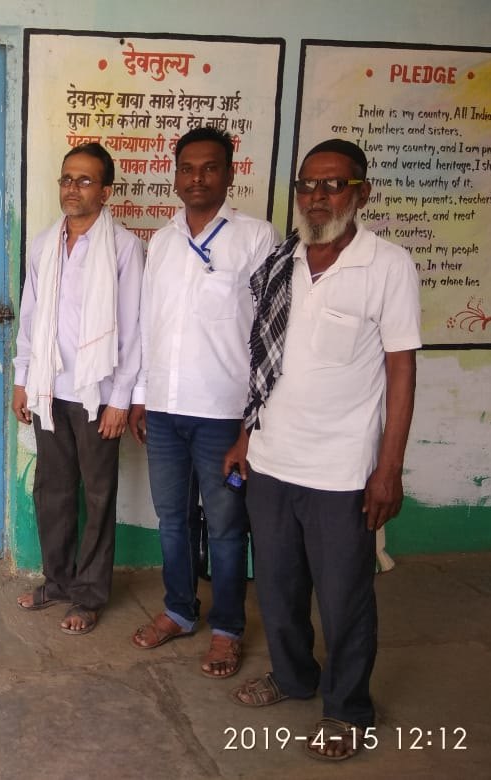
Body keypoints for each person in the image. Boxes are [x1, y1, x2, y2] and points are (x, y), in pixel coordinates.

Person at [226, 139, 420, 761]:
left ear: (361, 192)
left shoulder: (387, 265)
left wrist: (388, 468)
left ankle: (348, 709)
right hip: (273, 461)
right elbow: (263, 365)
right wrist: (244, 439)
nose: (318, 196)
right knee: (279, 589)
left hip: (342, 470)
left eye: (334, 185)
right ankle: (292, 676)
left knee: (344, 600)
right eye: (308, 185)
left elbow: (401, 372)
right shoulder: (282, 262)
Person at [127, 127, 278, 680]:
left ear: (229, 174)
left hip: (223, 413)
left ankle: (227, 629)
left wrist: (251, 422)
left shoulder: (257, 239)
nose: (197, 178)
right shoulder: (161, 242)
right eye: (187, 168)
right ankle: (178, 610)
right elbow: (149, 325)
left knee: (225, 526)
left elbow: (270, 332)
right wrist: (142, 397)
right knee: (172, 519)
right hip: (164, 410)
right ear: (175, 174)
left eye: (209, 168)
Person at [12, 142, 145, 635]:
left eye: (85, 180)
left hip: (96, 394)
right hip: (50, 390)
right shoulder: (45, 244)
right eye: (67, 178)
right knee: (54, 491)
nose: (73, 187)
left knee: (98, 494)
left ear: (106, 191)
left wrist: (120, 399)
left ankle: (89, 595)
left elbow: (134, 330)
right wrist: (23, 380)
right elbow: (30, 318)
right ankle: (59, 580)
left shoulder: (126, 248)